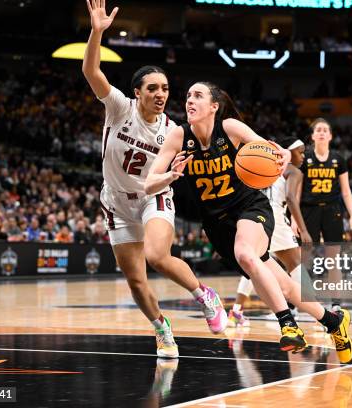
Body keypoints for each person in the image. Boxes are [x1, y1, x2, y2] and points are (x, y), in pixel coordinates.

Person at [145, 82, 352, 363]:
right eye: (188, 96)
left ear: (214, 106)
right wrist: (170, 176)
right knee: (284, 285)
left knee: (246, 253)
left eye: (197, 96)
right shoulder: (178, 137)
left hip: (248, 207)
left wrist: (282, 155)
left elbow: (266, 148)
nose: (189, 101)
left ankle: (288, 323)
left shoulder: (230, 128)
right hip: (217, 225)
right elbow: (149, 184)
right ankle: (332, 322)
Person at [82, 0, 227, 359]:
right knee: (135, 280)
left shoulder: (174, 130)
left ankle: (204, 295)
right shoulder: (119, 108)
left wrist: (174, 174)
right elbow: (91, 71)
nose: (161, 94)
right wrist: (97, 32)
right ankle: (162, 329)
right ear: (137, 92)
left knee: (158, 255)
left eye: (164, 88)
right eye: (152, 88)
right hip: (116, 200)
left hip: (154, 196)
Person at [228, 136, 311, 327]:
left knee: (255, 261)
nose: (303, 156)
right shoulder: (292, 170)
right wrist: (303, 228)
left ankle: (236, 312)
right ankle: (317, 313)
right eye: (300, 151)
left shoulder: (264, 164)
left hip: (254, 216)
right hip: (274, 217)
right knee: (295, 262)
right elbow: (290, 198)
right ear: (288, 152)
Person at [299, 118, 352, 310]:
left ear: (331, 136)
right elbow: (297, 191)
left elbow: (346, 191)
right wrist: (294, 218)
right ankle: (300, 298)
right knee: (303, 258)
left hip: (333, 210)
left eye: (325, 130)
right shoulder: (305, 159)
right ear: (313, 136)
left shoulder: (338, 160)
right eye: (318, 130)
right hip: (309, 210)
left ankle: (336, 303)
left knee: (333, 258)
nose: (322, 132)